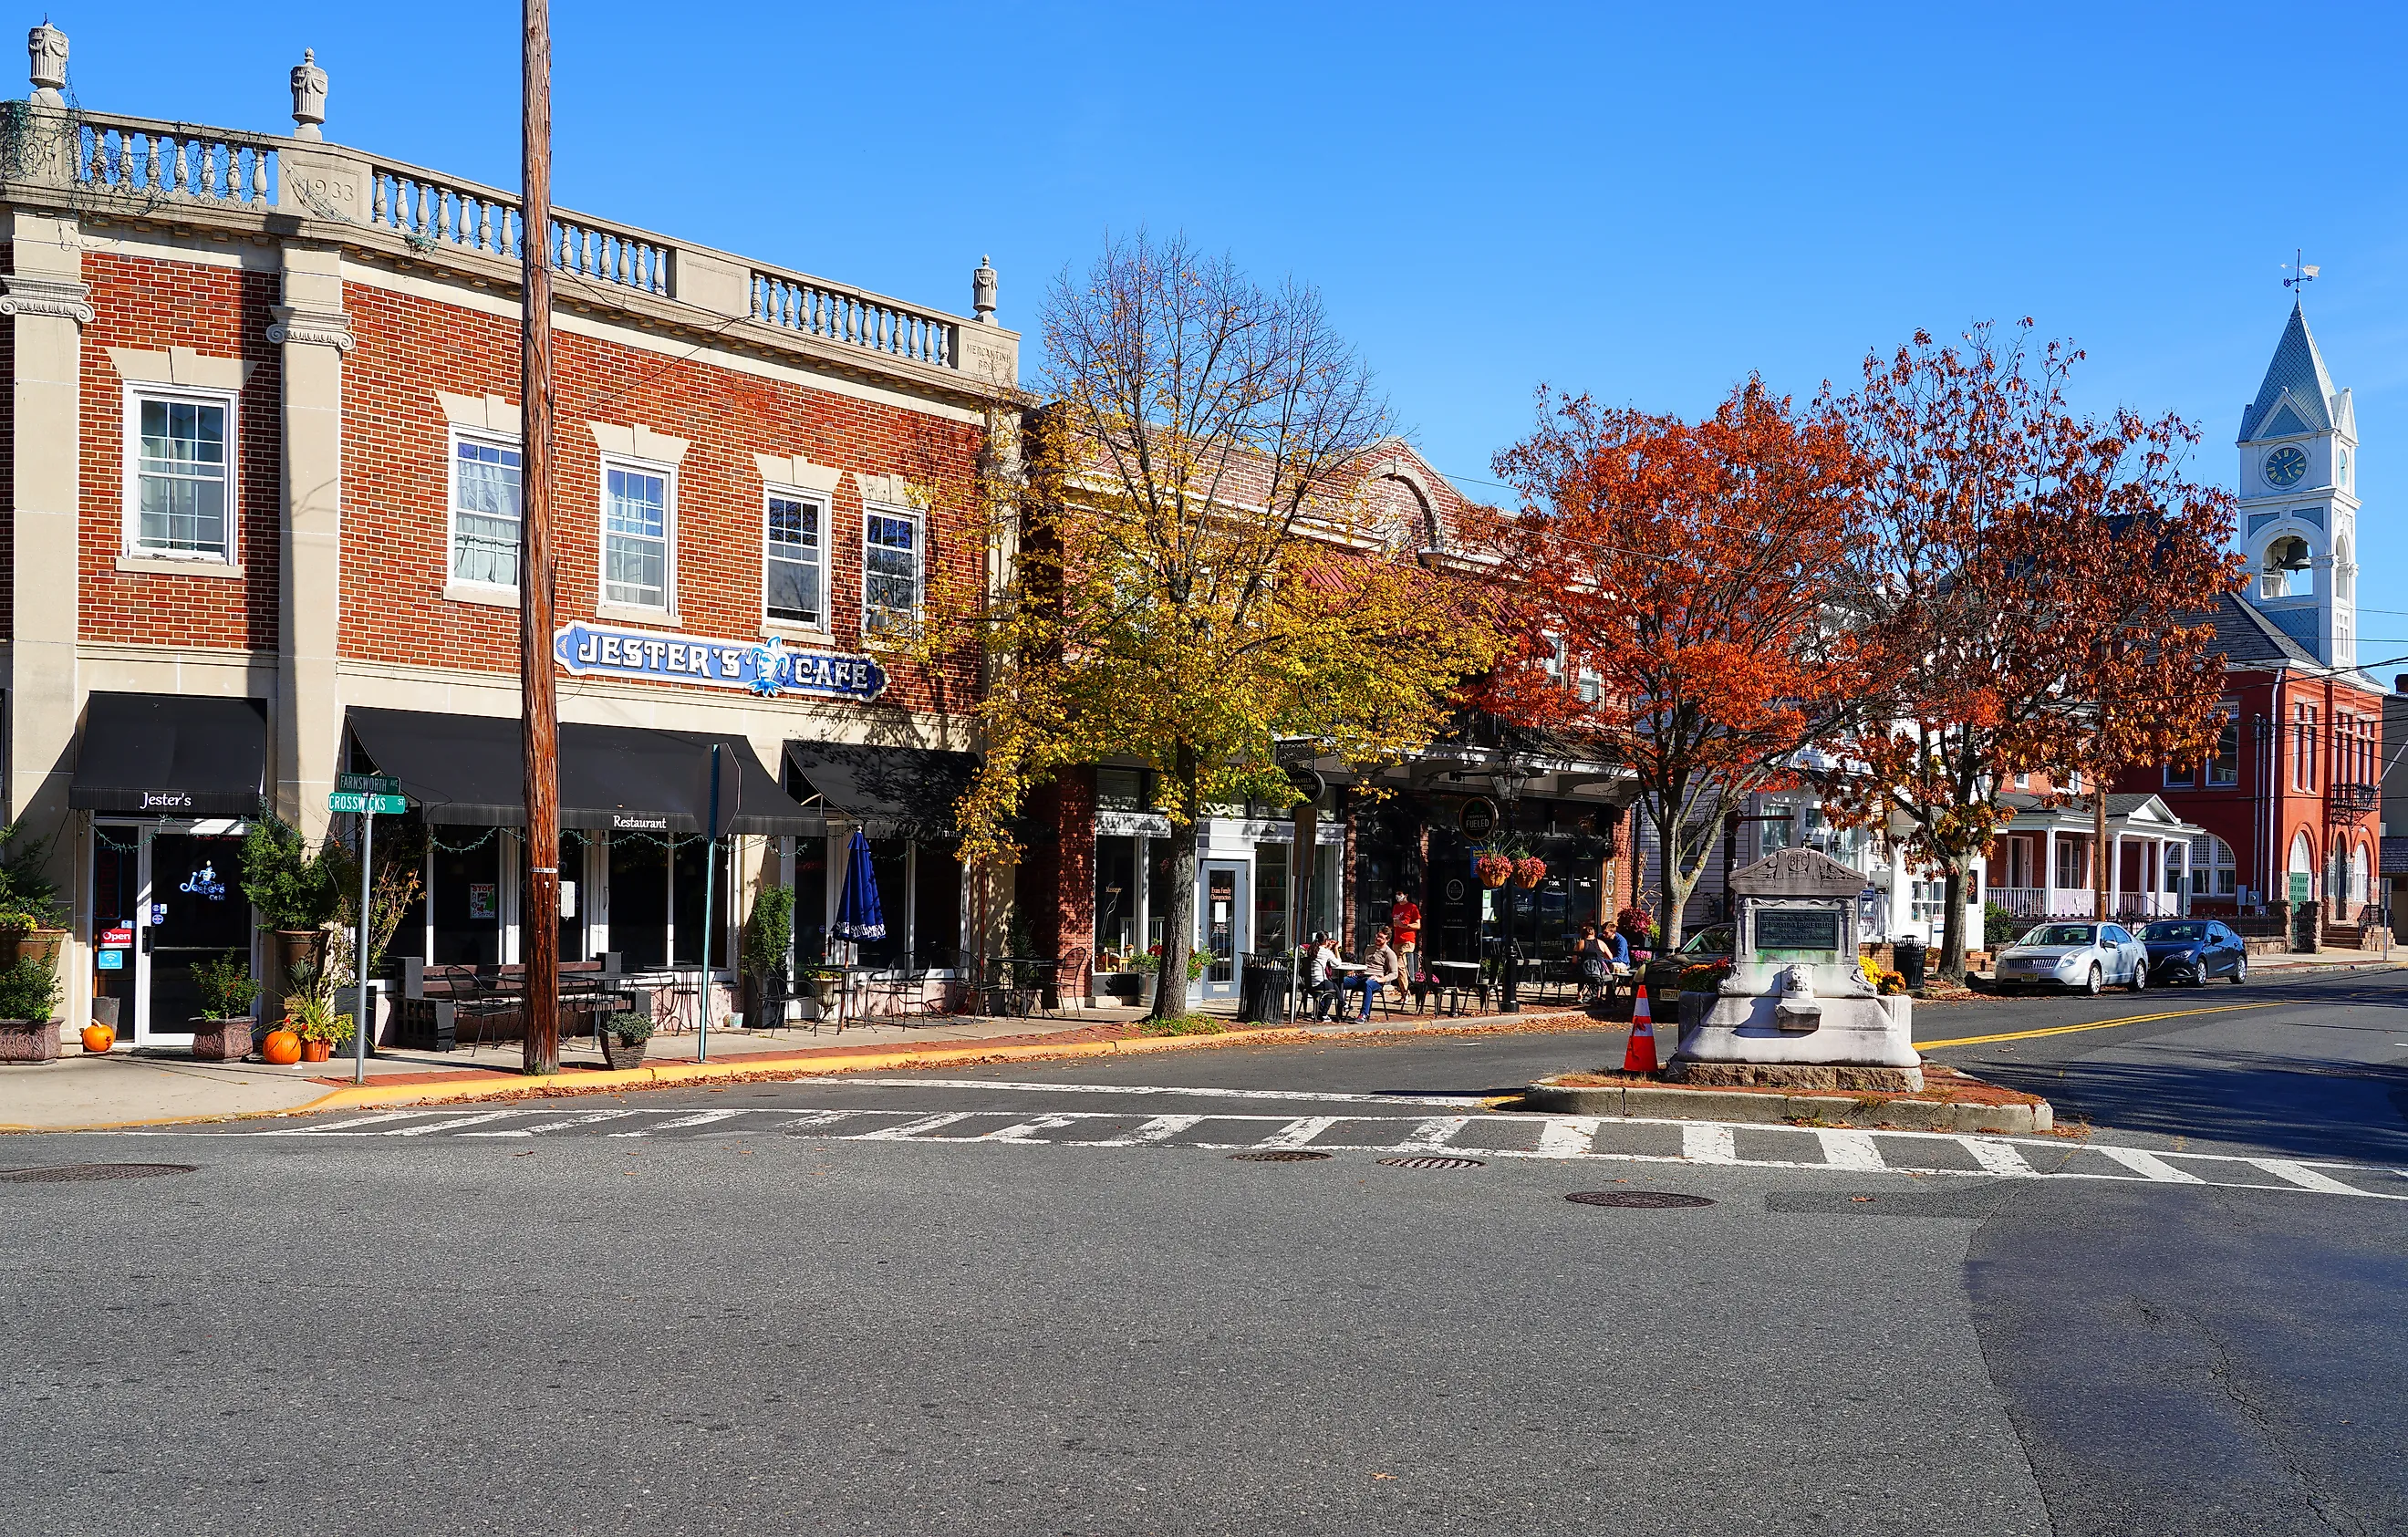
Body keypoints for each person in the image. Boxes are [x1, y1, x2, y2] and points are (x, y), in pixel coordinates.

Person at [1346, 926, 1402, 1020]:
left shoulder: (1389, 953)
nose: (1378, 938)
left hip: (1376, 980)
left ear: (1387, 940)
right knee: (1340, 982)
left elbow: (1394, 973)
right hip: (1363, 976)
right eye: (1377, 936)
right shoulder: (1369, 948)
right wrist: (1355, 972)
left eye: (1381, 937)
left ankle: (1363, 1014)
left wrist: (1380, 979)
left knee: (1368, 984)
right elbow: (1362, 964)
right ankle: (1327, 1010)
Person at [1575, 922, 1612, 1003]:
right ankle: (1599, 995)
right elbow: (1610, 957)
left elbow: (1574, 960)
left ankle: (1579, 994)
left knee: (1580, 970)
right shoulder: (1601, 943)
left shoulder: (1580, 943)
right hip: (1598, 972)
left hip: (1584, 972)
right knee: (1603, 975)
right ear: (1594, 933)